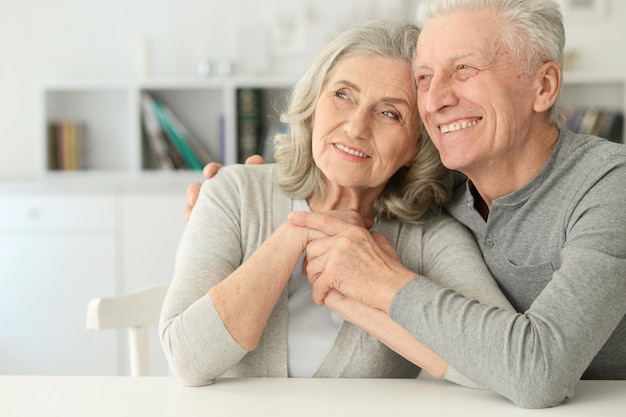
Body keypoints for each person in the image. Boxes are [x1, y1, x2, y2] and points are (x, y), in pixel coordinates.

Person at [285, 0, 626, 409]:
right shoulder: (446, 188)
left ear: (544, 87)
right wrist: (245, 183)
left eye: (464, 69)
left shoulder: (610, 186)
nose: (434, 101)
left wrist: (383, 282)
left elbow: (540, 373)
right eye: (425, 77)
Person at [161, 20, 514, 387]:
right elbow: (187, 360)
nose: (356, 127)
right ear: (314, 106)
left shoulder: (429, 237)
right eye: (343, 95)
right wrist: (295, 234)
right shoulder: (232, 193)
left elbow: (505, 364)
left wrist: (380, 293)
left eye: (389, 113)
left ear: (416, 146)